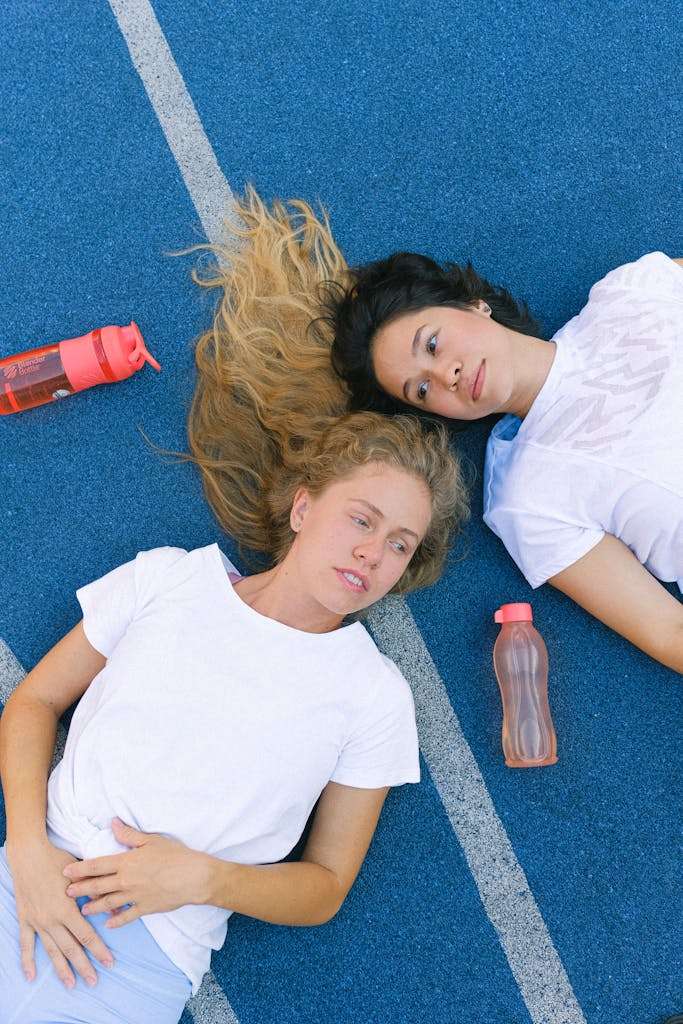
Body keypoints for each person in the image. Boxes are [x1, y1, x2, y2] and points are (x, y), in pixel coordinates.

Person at [0, 190, 469, 1023]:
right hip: (26, 886)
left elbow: (324, 887)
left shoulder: (374, 697)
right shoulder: (169, 578)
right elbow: (36, 700)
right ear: (301, 508)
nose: (373, 551)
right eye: (362, 519)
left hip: (133, 964)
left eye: (399, 543)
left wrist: (204, 879)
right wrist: (30, 853)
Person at [328, 248, 683, 674]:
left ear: (474, 306)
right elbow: (668, 629)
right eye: (421, 390)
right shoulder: (527, 500)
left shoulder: (630, 292)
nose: (445, 376)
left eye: (433, 344)